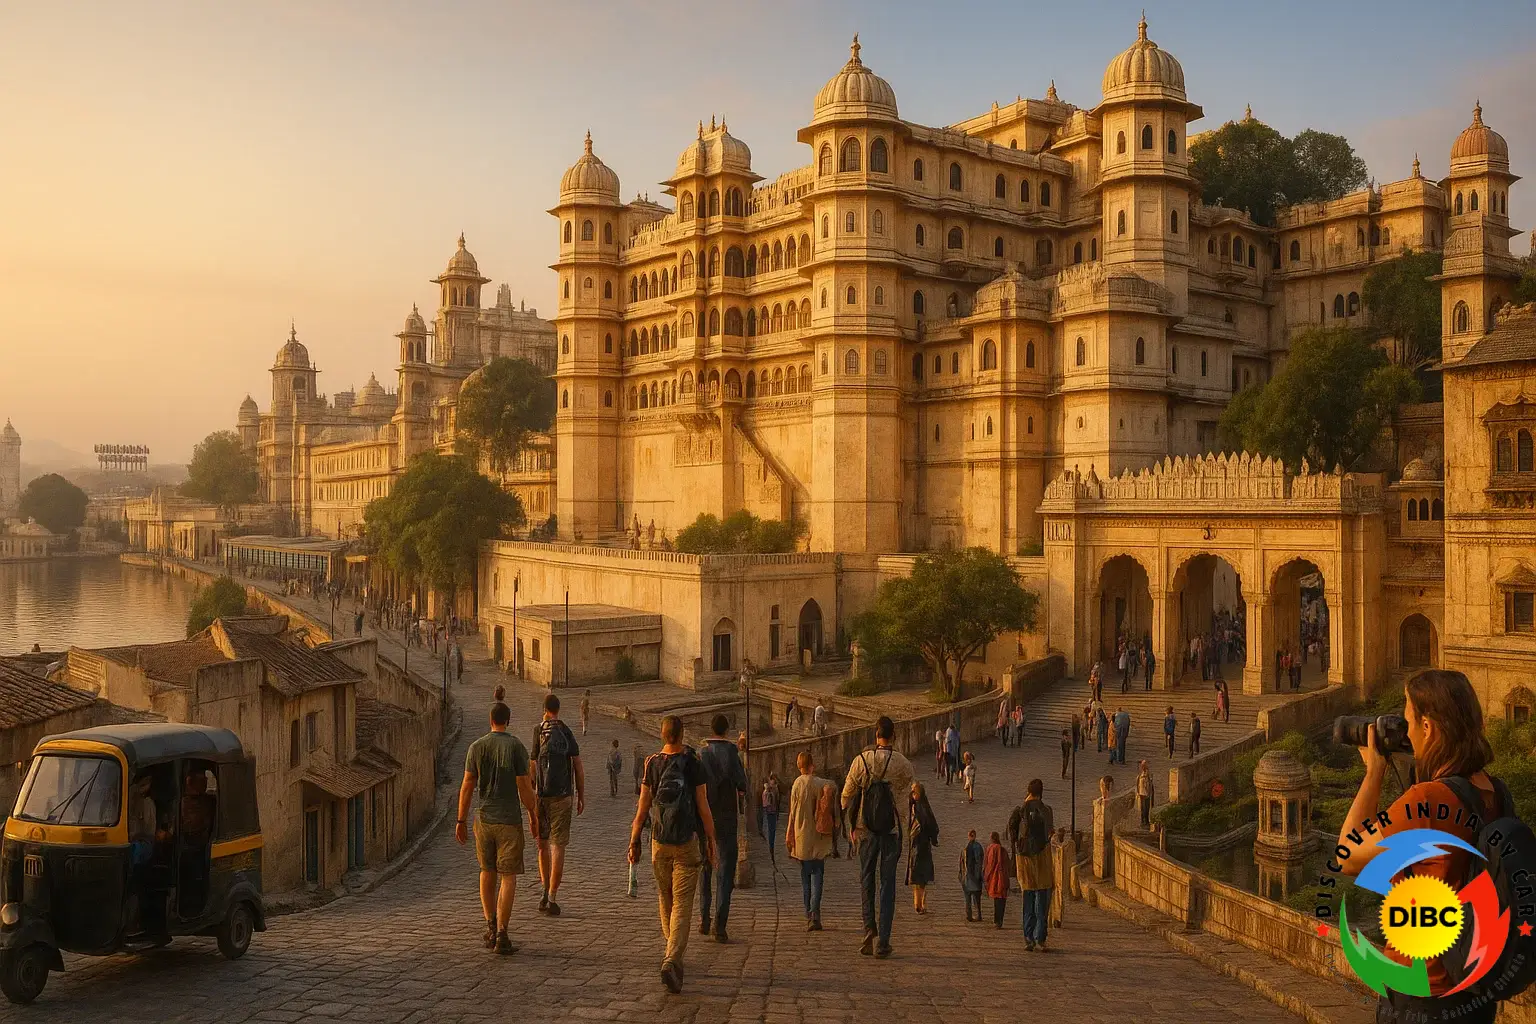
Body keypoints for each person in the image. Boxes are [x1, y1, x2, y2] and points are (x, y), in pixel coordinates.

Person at [1334, 670, 1502, 1024]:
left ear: (1428, 728)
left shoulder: (1429, 800)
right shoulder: (1493, 792)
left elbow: (1347, 856)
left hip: (1423, 991)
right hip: (1474, 990)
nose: (1406, 733)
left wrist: (1374, 772)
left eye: (1408, 721)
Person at [629, 715, 718, 994]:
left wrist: (634, 840)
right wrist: (711, 840)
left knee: (664, 896)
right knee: (682, 902)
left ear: (662, 734)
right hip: (686, 841)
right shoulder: (693, 763)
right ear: (681, 735)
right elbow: (703, 806)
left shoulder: (652, 763)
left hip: (659, 841)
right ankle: (672, 957)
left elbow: (642, 808)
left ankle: (671, 951)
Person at [456, 695, 539, 955]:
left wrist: (460, 819)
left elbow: (467, 786)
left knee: (486, 871)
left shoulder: (476, 747)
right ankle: (503, 932)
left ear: (490, 720)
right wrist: (533, 814)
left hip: (484, 819)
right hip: (509, 820)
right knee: (508, 876)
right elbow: (524, 786)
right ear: (508, 721)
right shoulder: (515, 747)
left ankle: (490, 924)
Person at [842, 715, 914, 959]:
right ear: (894, 736)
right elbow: (907, 790)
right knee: (887, 883)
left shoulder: (861, 761)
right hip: (891, 829)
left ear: (876, 735)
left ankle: (868, 928)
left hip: (866, 829)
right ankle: (883, 940)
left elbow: (845, 796)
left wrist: (852, 817)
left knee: (866, 879)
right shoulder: (902, 764)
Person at [530, 693, 584, 916]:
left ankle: (544, 889)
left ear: (544, 709)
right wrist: (581, 795)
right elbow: (577, 765)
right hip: (563, 796)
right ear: (558, 709)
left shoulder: (538, 730)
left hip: (542, 796)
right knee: (558, 846)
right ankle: (552, 896)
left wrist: (533, 795)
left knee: (542, 845)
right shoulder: (565, 730)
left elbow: (533, 764)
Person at [697, 713, 747, 942]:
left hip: (705, 814)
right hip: (726, 817)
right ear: (726, 730)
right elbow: (742, 783)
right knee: (725, 871)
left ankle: (704, 918)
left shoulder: (703, 753)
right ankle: (720, 924)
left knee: (705, 866)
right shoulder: (731, 752)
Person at [785, 750, 835, 930]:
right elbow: (832, 786)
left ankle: (808, 911)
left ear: (799, 766)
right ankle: (815, 913)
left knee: (805, 877)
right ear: (812, 765)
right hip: (818, 837)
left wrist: (789, 834)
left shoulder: (796, 784)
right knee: (818, 876)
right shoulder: (819, 783)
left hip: (801, 836)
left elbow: (792, 813)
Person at [1008, 778, 1055, 952]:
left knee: (1028, 900)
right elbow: (1050, 833)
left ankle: (1028, 937)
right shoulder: (1046, 810)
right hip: (1042, 859)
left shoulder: (1021, 810)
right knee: (1042, 901)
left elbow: (1012, 833)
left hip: (1024, 860)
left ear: (1028, 792)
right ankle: (1040, 937)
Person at [906, 782, 938, 914]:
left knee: (918, 875)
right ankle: (919, 903)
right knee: (919, 876)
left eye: (914, 792)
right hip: (919, 845)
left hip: (919, 845)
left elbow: (929, 824)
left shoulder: (919, 808)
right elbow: (933, 826)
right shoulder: (919, 806)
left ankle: (919, 903)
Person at [983, 831, 1010, 929]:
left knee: (997, 900)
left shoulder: (992, 848)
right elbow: (1008, 864)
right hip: (1004, 877)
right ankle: (1000, 920)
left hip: (996, 878)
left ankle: (996, 920)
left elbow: (990, 864)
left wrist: (986, 876)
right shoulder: (1003, 850)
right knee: (1002, 900)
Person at [960, 829, 984, 922]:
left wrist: (961, 875)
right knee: (977, 898)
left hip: (967, 877)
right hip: (974, 876)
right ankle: (978, 914)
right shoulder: (978, 847)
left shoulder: (965, 849)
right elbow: (980, 862)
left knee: (968, 897)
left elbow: (961, 864)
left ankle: (969, 915)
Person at [761, 775, 782, 860]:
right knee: (769, 831)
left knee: (771, 831)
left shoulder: (774, 789)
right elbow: (767, 803)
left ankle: (771, 849)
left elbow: (777, 801)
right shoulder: (767, 791)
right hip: (769, 812)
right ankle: (770, 849)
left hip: (772, 812)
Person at [1136, 760, 1154, 828]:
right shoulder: (1140, 775)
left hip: (1147, 793)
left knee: (1147, 808)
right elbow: (1137, 785)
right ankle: (1143, 821)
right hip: (1142, 794)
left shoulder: (1148, 775)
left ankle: (1146, 821)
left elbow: (1151, 784)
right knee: (1143, 808)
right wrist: (1138, 793)